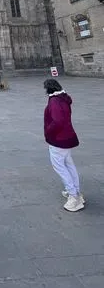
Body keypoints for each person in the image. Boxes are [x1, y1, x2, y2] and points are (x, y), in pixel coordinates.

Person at [43, 79, 84, 212]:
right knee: (69, 165)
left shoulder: (54, 101)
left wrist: (48, 130)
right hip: (67, 137)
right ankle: (76, 192)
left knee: (60, 167)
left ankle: (74, 197)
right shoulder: (63, 98)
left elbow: (58, 121)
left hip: (58, 139)